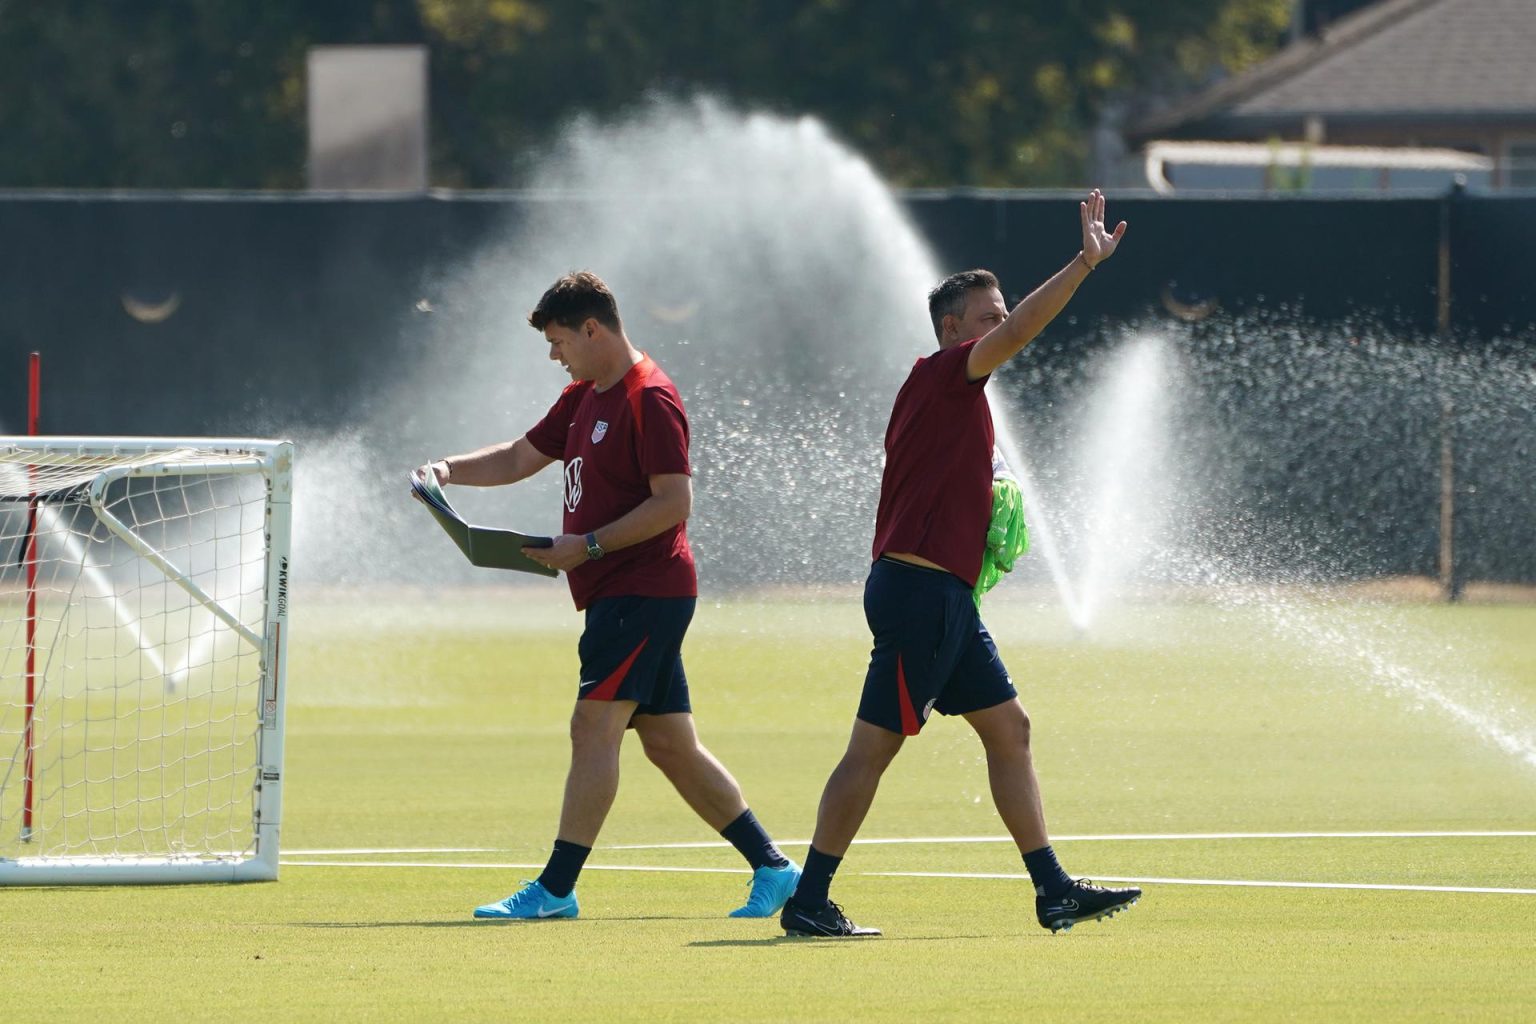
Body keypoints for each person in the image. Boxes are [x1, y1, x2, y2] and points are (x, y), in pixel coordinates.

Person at [778, 190, 1141, 937]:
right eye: (988, 316)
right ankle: (809, 901)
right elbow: (1027, 332)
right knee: (870, 752)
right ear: (953, 331)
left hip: (938, 598)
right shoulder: (947, 374)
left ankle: (1052, 891)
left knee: (1010, 730)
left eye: (1000, 312)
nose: (1001, 324)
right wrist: (1083, 264)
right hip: (921, 596)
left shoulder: (943, 392)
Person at [422, 271, 799, 921]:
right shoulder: (583, 397)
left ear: (593, 329)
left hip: (644, 589)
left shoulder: (650, 397)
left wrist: (588, 545)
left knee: (592, 724)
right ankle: (775, 870)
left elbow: (674, 503)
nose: (553, 355)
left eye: (559, 340)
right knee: (670, 745)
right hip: (616, 593)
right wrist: (447, 472)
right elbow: (517, 458)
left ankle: (556, 889)